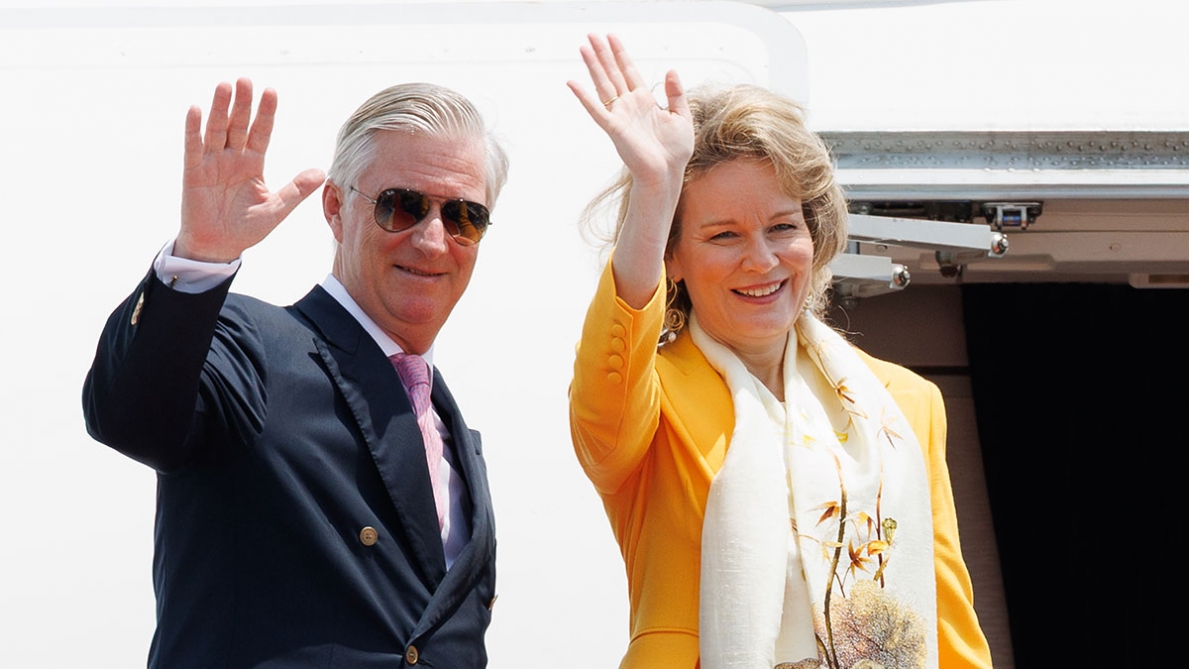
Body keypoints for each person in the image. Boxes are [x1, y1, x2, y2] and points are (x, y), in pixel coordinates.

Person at [567, 35, 992, 669]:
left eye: (782, 227)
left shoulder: (908, 405)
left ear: (814, 237)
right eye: (724, 235)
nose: (761, 260)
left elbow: (949, 626)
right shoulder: (646, 402)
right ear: (674, 258)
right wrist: (656, 189)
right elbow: (609, 378)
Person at [83, 78, 507, 668]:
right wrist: (200, 254)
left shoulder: (450, 432)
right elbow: (131, 413)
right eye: (401, 206)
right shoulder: (250, 348)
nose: (433, 239)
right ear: (336, 208)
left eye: (464, 216)